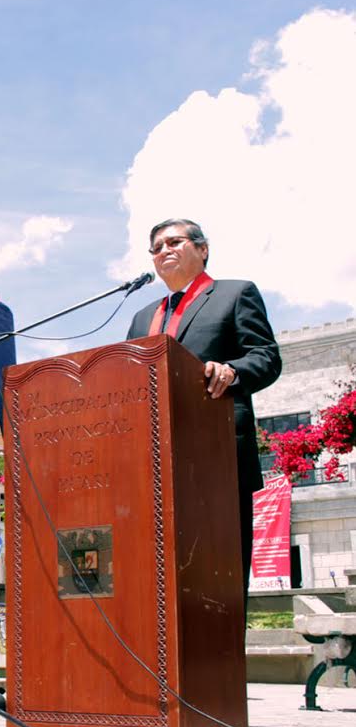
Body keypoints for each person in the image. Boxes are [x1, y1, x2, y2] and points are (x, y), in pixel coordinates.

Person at [127, 218, 281, 597]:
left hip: (217, 456)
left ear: (202, 249)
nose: (164, 251)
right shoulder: (142, 318)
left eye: (174, 242)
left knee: (219, 578)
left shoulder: (235, 294)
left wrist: (232, 371)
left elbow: (266, 357)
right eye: (156, 247)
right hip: (153, 466)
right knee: (161, 581)